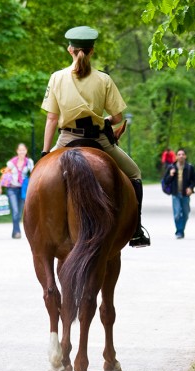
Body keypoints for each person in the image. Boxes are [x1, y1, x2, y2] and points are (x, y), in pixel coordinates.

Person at [41, 26, 150, 247]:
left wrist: (45, 152)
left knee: (40, 176)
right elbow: (118, 117)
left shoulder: (56, 78)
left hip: (66, 139)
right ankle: (136, 230)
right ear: (92, 51)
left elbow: (52, 119)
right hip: (98, 139)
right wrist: (106, 121)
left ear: (69, 49)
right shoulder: (104, 79)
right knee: (135, 174)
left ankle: (37, 227)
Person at [0, 143, 34, 239]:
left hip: (23, 190)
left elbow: (34, 173)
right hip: (12, 189)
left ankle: (15, 232)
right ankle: (17, 232)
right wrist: (0, 187)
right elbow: (4, 174)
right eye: (20, 150)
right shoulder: (12, 162)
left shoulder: (29, 162)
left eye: (24, 150)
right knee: (15, 211)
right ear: (17, 151)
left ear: (26, 151)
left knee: (20, 212)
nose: (22, 152)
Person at [163, 148, 195, 239]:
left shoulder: (190, 167)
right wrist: (171, 175)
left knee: (186, 214)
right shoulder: (171, 167)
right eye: (179, 154)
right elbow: (166, 181)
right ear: (176, 156)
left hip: (185, 194)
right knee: (177, 213)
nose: (181, 156)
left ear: (185, 156)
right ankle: (179, 231)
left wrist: (191, 188)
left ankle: (181, 230)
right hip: (175, 194)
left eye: (183, 154)